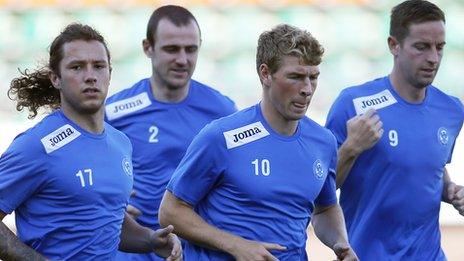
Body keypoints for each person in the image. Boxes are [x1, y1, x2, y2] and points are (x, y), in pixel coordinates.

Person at [158, 24, 358, 260]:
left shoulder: (323, 142)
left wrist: (339, 241)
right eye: (295, 76)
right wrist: (235, 245)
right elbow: (170, 211)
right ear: (265, 74)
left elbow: (325, 207)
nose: (307, 89)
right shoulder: (222, 137)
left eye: (313, 77)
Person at [0, 23, 182, 260]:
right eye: (76, 67)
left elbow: (107, 219)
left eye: (98, 66)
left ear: (109, 73)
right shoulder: (38, 145)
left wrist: (149, 239)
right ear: (56, 78)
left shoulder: (120, 143)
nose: (90, 76)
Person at [325, 0, 464, 259]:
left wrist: (451, 190)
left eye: (440, 47)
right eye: (421, 47)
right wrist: (351, 149)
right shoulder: (353, 105)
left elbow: (428, 166)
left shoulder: (452, 110)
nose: (433, 58)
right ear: (394, 45)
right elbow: (318, 189)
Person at [105, 5, 236, 261]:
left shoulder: (222, 111)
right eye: (171, 49)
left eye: (191, 49)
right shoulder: (116, 112)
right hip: (134, 249)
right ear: (148, 47)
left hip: (195, 249)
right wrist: (110, 201)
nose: (182, 59)